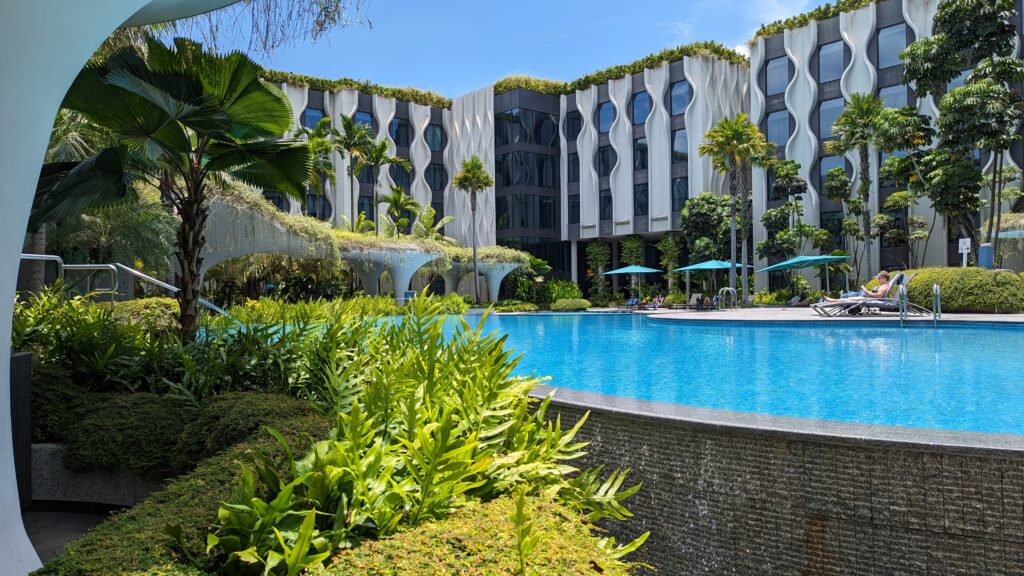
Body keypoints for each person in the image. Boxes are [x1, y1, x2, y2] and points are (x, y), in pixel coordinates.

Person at [822, 271, 890, 302]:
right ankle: (831, 300)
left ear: (884, 278)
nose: (878, 280)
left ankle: (831, 300)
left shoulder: (884, 286)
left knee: (849, 300)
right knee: (849, 298)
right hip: (867, 297)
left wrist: (865, 290)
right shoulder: (884, 285)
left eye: (879, 278)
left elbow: (879, 296)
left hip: (868, 299)